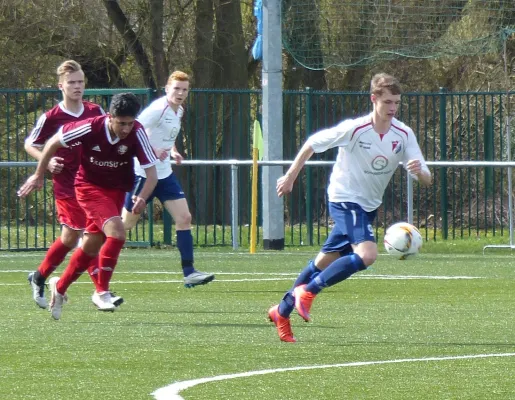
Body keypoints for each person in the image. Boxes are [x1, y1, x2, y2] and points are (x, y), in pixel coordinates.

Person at [268, 73, 432, 342]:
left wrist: (418, 172)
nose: (393, 108)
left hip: (368, 206)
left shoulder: (403, 134)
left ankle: (282, 311)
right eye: (388, 101)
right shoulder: (355, 129)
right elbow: (311, 144)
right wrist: (290, 176)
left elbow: (426, 178)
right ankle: (308, 292)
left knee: (323, 261)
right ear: (374, 99)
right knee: (367, 255)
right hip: (344, 198)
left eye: (397, 103)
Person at [18, 93, 158, 320]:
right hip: (89, 188)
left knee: (90, 247)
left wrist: (142, 196)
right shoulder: (89, 127)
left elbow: (152, 173)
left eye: (130, 123)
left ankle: (60, 288)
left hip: (116, 191)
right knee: (117, 233)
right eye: (121, 123)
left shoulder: (137, 132)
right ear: (110, 117)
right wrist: (38, 175)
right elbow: (53, 142)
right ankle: (101, 292)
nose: (126, 129)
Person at [23, 60, 124, 310]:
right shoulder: (51, 117)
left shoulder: (96, 110)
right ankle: (97, 289)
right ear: (61, 86)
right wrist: (45, 163)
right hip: (67, 185)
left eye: (80, 82)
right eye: (72, 83)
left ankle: (44, 277)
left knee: (79, 237)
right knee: (79, 235)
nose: (77, 86)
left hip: (94, 184)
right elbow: (30, 144)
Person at [121, 71, 215, 288]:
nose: (180, 93)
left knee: (184, 218)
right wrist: (152, 150)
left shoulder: (178, 110)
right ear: (167, 89)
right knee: (125, 224)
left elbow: (165, 135)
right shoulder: (157, 109)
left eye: (184, 89)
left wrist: (172, 151)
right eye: (176, 89)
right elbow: (133, 130)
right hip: (143, 175)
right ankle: (89, 241)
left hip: (164, 174)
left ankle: (189, 273)